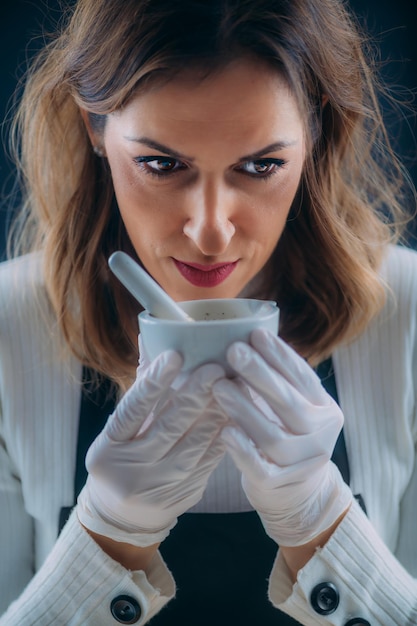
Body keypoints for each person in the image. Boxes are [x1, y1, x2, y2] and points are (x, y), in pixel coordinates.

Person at [0, 0, 416, 624]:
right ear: (95, 126)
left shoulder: (407, 319)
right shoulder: (9, 327)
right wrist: (108, 534)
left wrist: (321, 522)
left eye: (261, 165)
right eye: (162, 165)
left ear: (319, 132)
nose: (211, 233)